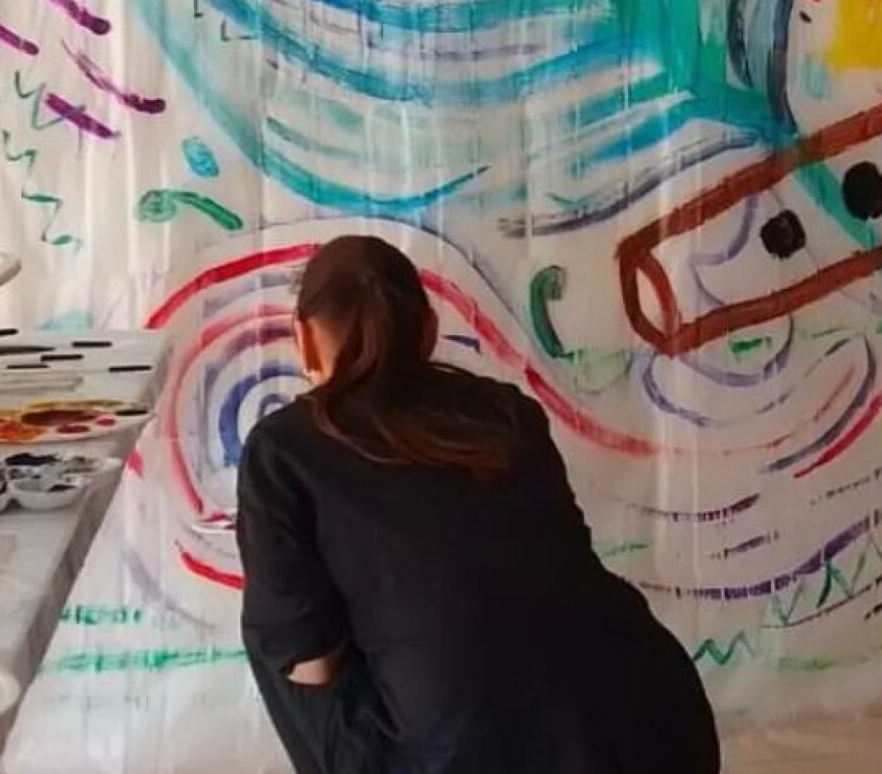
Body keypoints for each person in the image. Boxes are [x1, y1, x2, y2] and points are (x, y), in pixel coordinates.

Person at [236, 235, 721, 774]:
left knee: (280, 638)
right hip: (655, 725)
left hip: (466, 755)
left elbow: (309, 663)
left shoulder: (283, 449)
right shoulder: (508, 410)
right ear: (428, 330)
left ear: (302, 340)